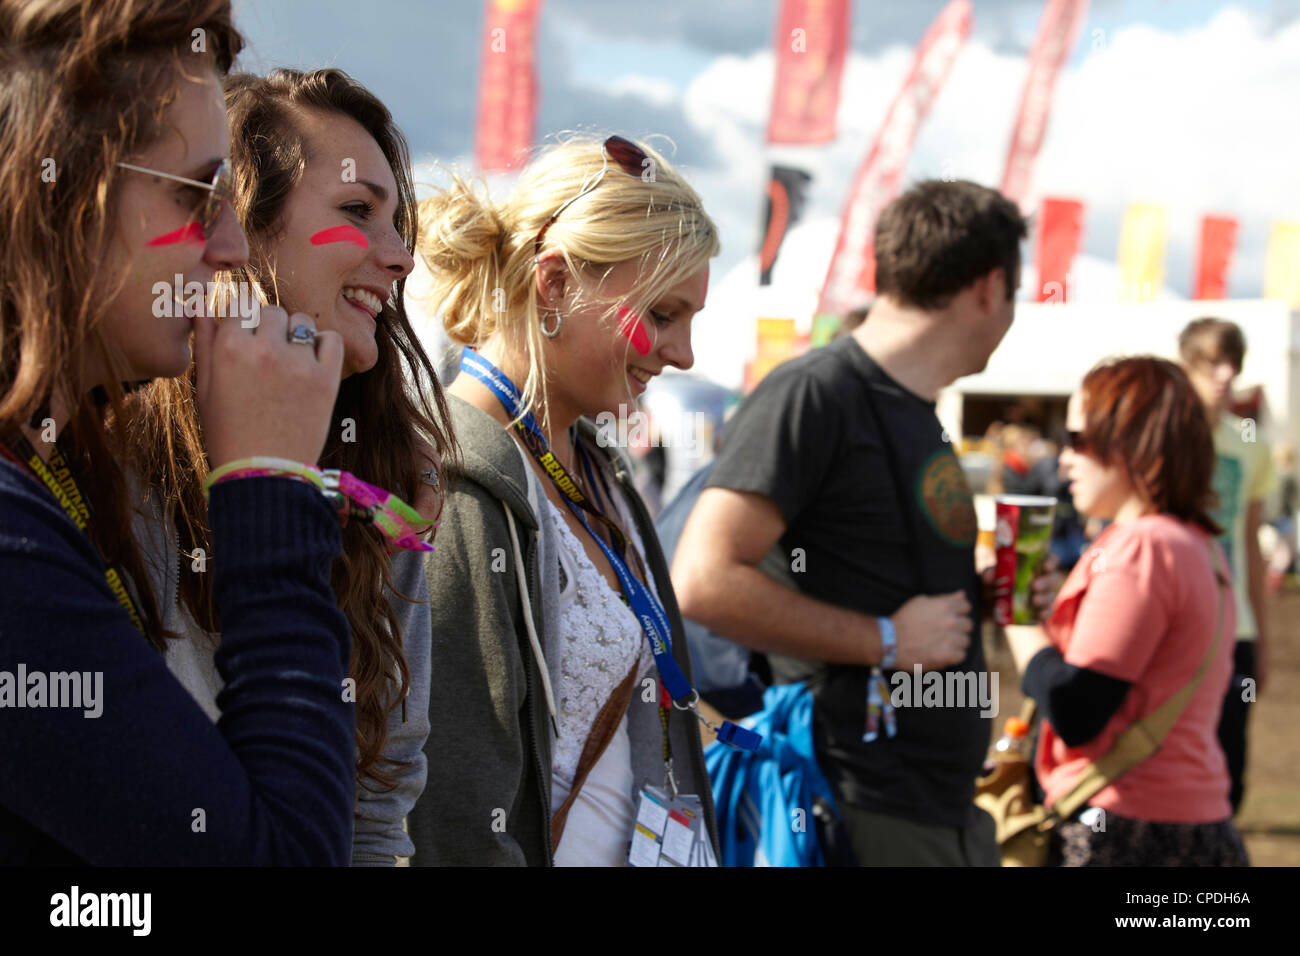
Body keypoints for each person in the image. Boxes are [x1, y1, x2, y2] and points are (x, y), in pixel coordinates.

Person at [0, 0, 358, 864]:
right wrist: (269, 484)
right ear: (56, 194)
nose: (231, 247)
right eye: (198, 196)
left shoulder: (48, 470)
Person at [123, 68, 455, 865]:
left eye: (398, 222)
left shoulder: (397, 486)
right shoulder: (111, 460)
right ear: (244, 230)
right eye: (356, 212)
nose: (402, 256)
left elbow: (377, 811)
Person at [673, 179, 1027, 866]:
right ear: (989, 288)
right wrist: (886, 639)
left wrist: (982, 594)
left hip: (940, 806)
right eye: (1015, 294)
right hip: (857, 807)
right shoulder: (816, 392)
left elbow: (879, 578)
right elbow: (703, 580)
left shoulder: (914, 405)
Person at [407, 135, 720, 865]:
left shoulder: (596, 467)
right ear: (554, 286)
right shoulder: (456, 477)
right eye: (664, 314)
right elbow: (454, 804)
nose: (684, 353)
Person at [1003, 357, 1246, 866]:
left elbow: (1077, 710)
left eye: (1079, 439)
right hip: (1193, 824)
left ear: (1133, 444)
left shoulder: (1143, 547)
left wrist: (1015, 612)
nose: (1064, 458)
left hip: (1127, 831)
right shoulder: (1196, 545)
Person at [1178, 317, 1275, 814]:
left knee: (1230, 759)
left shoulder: (1252, 444)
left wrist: (1262, 637)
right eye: (1212, 362)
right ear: (1187, 364)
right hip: (1178, 623)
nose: (1223, 374)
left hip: (1234, 627)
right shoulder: (1166, 437)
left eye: (1231, 364)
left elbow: (1252, 548)